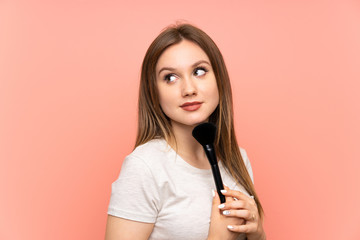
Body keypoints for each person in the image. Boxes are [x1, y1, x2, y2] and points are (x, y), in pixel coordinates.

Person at [105, 23, 266, 240]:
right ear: (154, 92)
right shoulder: (144, 167)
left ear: (219, 78)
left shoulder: (238, 159)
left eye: (199, 71)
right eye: (170, 77)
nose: (189, 90)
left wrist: (256, 233)